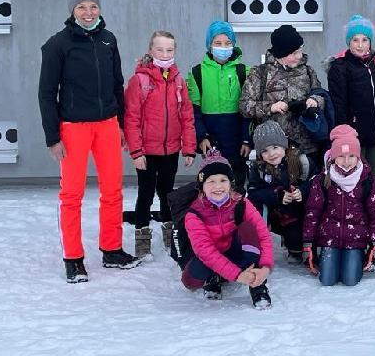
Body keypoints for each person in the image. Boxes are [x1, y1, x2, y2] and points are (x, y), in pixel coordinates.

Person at [38, 0, 140, 283]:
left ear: (100, 9)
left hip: (107, 124)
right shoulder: (58, 44)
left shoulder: (108, 40)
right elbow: (46, 93)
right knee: (72, 195)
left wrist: (120, 124)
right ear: (72, 10)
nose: (88, 11)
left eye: (93, 6)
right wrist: (52, 137)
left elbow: (116, 85)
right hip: (73, 128)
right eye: (82, 6)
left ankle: (112, 249)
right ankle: (74, 258)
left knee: (113, 190)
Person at [123, 31, 196, 259]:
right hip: (146, 151)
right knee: (145, 193)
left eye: (169, 50)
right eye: (160, 50)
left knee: (167, 192)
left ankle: (169, 230)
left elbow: (187, 116)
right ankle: (142, 234)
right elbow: (131, 118)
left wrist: (189, 147)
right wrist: (136, 151)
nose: (165, 54)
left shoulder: (179, 81)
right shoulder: (140, 81)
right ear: (150, 50)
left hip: (171, 150)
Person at [181, 157, 274, 309]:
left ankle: (257, 285)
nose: (218, 186)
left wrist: (265, 267)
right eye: (211, 181)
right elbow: (206, 252)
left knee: (249, 229)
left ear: (231, 183)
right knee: (192, 279)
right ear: (202, 186)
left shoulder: (241, 203)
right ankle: (213, 279)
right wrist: (238, 276)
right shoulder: (194, 214)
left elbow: (263, 236)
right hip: (209, 259)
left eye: (223, 180)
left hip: (234, 252)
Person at [302, 125, 375, 287]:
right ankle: (331, 258)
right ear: (333, 157)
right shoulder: (323, 180)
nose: (346, 162)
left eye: (351, 156)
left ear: (358, 157)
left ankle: (356, 257)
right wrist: (308, 243)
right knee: (327, 280)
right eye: (341, 156)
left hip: (356, 239)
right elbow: (313, 212)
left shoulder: (367, 180)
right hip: (329, 238)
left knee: (350, 279)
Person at [240, 24, 326, 165]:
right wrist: (270, 107)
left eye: (300, 51)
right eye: (294, 53)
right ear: (281, 53)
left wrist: (314, 101)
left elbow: (321, 95)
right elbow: (244, 106)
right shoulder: (260, 73)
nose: (299, 56)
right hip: (273, 152)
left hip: (307, 148)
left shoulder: (308, 71)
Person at [326, 14, 375, 178]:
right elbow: (339, 104)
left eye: (364, 40)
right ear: (348, 42)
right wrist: (344, 133)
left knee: (374, 175)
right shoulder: (340, 67)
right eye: (355, 40)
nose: (360, 45)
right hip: (353, 136)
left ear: (370, 42)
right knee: (353, 175)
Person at [187, 20, 251, 192]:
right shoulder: (197, 73)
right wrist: (202, 137)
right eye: (218, 43)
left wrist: (247, 138)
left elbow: (248, 110)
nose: (223, 47)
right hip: (211, 138)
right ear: (209, 46)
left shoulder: (244, 71)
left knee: (237, 181)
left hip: (237, 139)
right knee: (214, 180)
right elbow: (194, 111)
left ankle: (237, 215)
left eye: (227, 43)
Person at [246, 120, 312, 264]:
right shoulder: (258, 168)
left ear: (284, 144)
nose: (271, 154)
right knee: (252, 206)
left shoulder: (300, 160)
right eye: (265, 150)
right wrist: (276, 195)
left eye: (275, 147)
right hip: (275, 211)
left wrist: (302, 191)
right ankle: (257, 244)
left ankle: (296, 245)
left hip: (296, 212)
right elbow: (253, 192)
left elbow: (315, 181)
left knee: (295, 243)